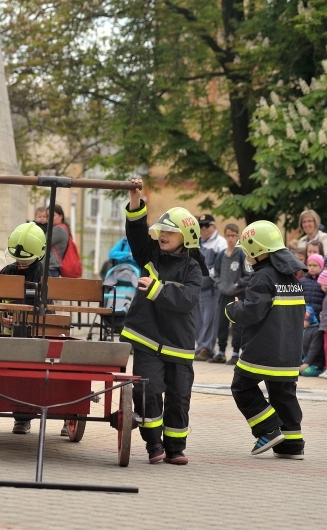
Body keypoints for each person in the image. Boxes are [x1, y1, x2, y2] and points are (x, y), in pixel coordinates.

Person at [121, 179, 205, 464]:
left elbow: (188, 299)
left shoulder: (194, 268)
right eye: (162, 230)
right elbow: (135, 233)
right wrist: (136, 201)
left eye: (171, 231)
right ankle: (153, 445)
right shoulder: (150, 254)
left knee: (179, 397)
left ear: (187, 237)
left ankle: (175, 447)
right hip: (146, 337)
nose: (164, 235)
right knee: (146, 389)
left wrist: (156, 290)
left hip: (178, 344)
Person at [225, 221, 306, 459]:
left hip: (262, 349)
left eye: (248, 252)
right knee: (283, 394)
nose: (247, 257)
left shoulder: (263, 277)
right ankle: (292, 444)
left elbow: (252, 313)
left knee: (242, 387)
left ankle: (268, 430)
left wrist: (233, 309)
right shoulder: (291, 278)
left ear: (258, 250)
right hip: (289, 352)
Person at [0, 222, 47, 435]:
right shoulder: (8, 271)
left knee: (27, 375)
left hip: (33, 332)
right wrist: (2, 316)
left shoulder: (43, 275)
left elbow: (45, 307)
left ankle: (23, 418)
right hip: (9, 332)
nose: (19, 262)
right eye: (17, 257)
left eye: (25, 259)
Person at [211, 223, 251, 365]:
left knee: (237, 325)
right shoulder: (222, 255)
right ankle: (221, 352)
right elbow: (215, 273)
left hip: (237, 295)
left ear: (237, 236)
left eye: (233, 236)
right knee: (221, 323)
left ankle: (235, 353)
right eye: (228, 235)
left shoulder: (241, 254)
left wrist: (238, 284)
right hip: (223, 294)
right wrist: (219, 284)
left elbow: (248, 275)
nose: (230, 239)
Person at [194, 213, 227, 361]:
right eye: (201, 226)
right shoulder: (198, 242)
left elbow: (222, 265)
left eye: (207, 225)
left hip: (211, 288)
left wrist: (209, 275)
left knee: (209, 320)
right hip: (197, 288)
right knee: (198, 319)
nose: (204, 229)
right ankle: (200, 347)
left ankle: (207, 348)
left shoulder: (220, 243)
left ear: (214, 226)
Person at [299, 306, 324, 376]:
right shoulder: (301, 329)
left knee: (305, 372)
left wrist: (307, 363)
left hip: (314, 362)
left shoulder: (316, 331)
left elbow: (313, 349)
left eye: (304, 320)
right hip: (303, 360)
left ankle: (320, 371)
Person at [47, 204, 70, 277]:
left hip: (50, 268)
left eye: (53, 215)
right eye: (48, 216)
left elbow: (43, 243)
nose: (49, 218)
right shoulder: (63, 228)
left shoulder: (58, 230)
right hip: (52, 268)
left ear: (61, 216)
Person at [300, 254, 325, 318]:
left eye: (315, 265)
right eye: (309, 265)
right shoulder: (302, 281)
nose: (312, 267)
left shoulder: (324, 281)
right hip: (304, 316)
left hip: (319, 316)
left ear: (321, 266)